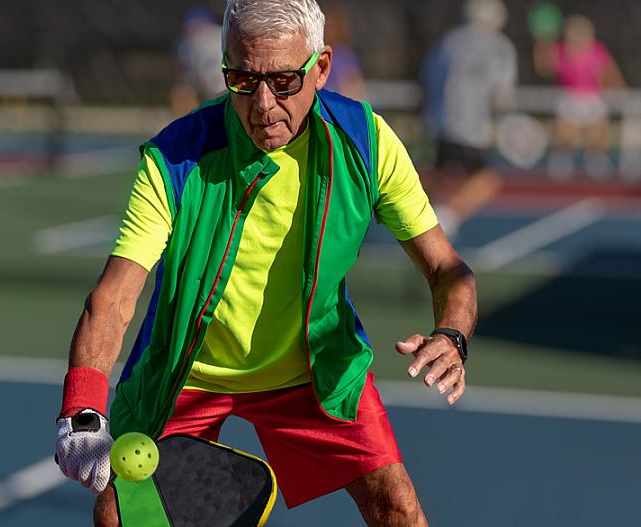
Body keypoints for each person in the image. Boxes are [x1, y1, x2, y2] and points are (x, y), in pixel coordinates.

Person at [56, 1, 477, 525]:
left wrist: (452, 335)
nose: (261, 104)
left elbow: (447, 270)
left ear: (321, 68)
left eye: (283, 81)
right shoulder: (174, 159)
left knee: (398, 508)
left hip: (312, 367)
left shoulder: (366, 144)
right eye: (242, 78)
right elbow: (116, 294)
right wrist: (82, 405)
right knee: (117, 517)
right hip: (189, 375)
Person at [420, 0, 516, 240]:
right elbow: (502, 94)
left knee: (439, 172)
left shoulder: (450, 41)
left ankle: (394, 203)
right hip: (473, 126)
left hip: (443, 120)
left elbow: (428, 77)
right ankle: (449, 214)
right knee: (488, 180)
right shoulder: (501, 47)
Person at [533, 14, 625, 180]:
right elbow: (544, 69)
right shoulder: (559, 50)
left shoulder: (597, 50)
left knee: (597, 133)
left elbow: (610, 73)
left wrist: (617, 89)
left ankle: (596, 161)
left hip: (592, 98)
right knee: (566, 134)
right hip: (568, 98)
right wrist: (541, 44)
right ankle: (562, 163)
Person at [169, 7, 225, 116]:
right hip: (207, 90)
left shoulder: (220, 37)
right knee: (181, 92)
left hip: (229, 89)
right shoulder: (186, 45)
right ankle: (187, 122)